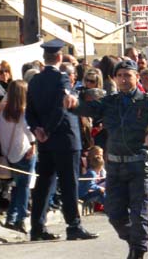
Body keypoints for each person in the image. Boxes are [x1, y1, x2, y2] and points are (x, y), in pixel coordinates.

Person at [68, 59, 148, 259]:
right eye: (120, 75)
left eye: (128, 75)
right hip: (114, 167)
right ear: (114, 79)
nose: (124, 79)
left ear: (136, 78)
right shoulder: (109, 102)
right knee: (114, 214)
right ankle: (135, 243)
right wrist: (72, 103)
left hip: (139, 166)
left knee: (140, 213)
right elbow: (87, 108)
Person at [26, 39, 98, 242]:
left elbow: (29, 110)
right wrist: (47, 129)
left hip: (45, 139)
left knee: (44, 183)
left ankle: (37, 227)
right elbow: (61, 107)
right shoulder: (63, 79)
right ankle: (73, 226)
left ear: (45, 58)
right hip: (64, 138)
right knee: (69, 183)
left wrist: (36, 129)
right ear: (59, 57)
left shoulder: (35, 80)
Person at [0, 80, 36, 234]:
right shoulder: (23, 111)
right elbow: (28, 129)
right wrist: (33, 143)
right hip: (24, 151)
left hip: (9, 153)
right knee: (24, 187)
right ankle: (20, 218)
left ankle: (11, 218)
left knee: (17, 187)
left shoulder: (3, 110)